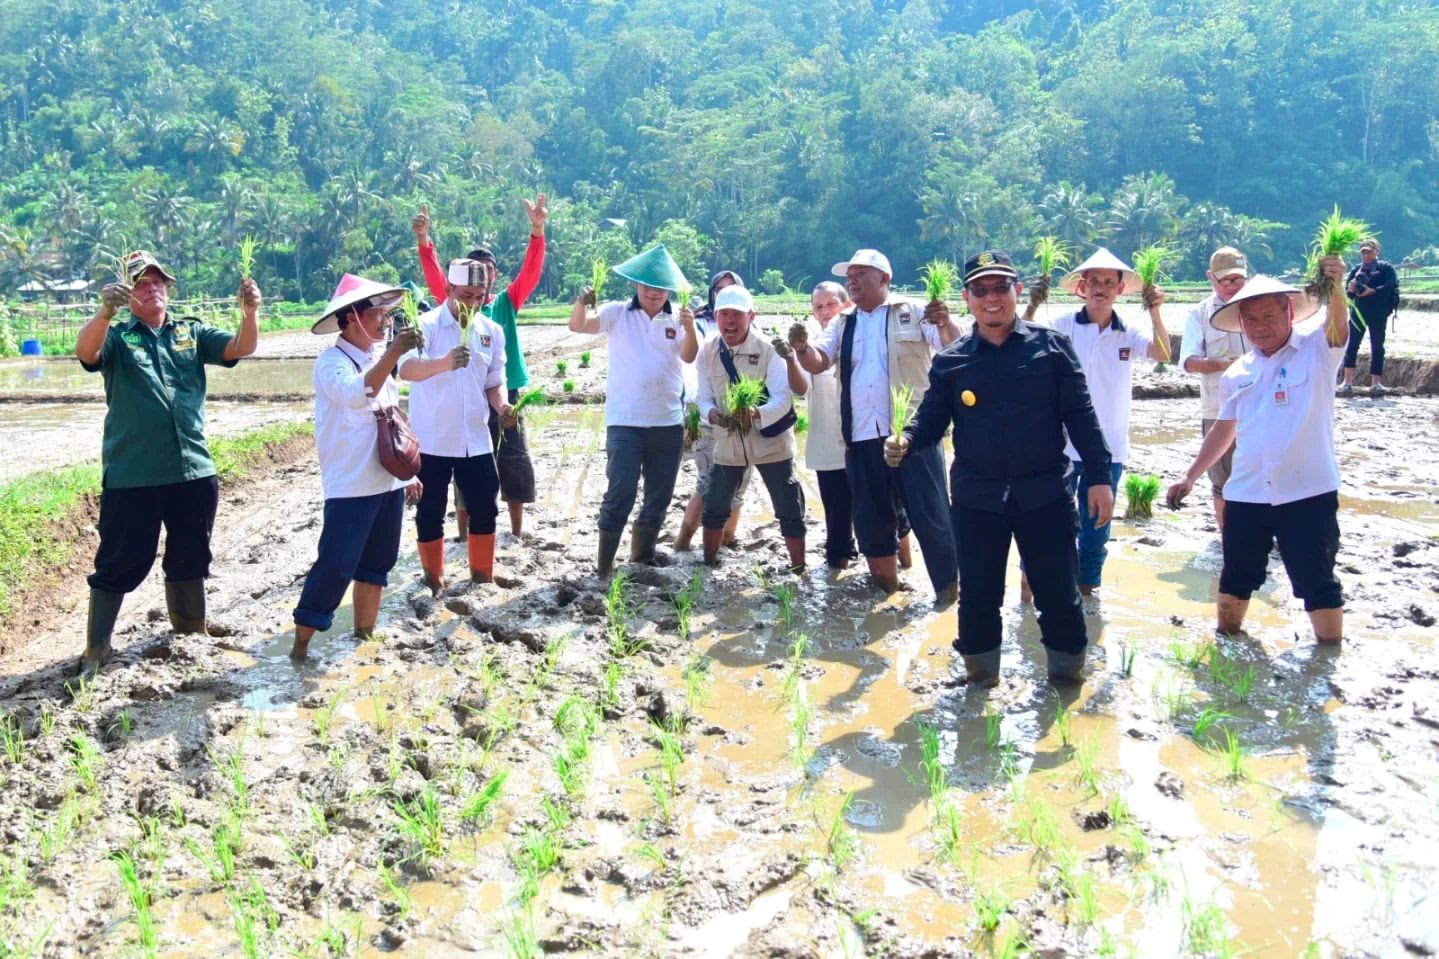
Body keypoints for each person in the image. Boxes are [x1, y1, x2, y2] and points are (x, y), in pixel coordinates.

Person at [884, 251, 1114, 686]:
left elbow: (1081, 416)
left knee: (1058, 593)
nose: (992, 298)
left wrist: (1100, 478)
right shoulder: (952, 360)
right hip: (977, 499)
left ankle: (1066, 681)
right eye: (981, 290)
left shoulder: (1051, 348)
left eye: (1000, 288)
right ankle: (980, 681)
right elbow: (931, 419)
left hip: (1045, 494)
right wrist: (907, 440)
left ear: (1017, 291)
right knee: (978, 595)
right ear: (967, 298)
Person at [73, 250, 259, 678]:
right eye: (140, 283)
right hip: (134, 474)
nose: (151, 288)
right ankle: (96, 649)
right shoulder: (117, 337)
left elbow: (241, 347)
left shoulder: (190, 331)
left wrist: (250, 313)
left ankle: (191, 633)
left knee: (191, 554)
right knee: (121, 560)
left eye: (157, 281)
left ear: (168, 288)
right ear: (127, 292)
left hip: (192, 469)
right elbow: (86, 353)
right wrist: (104, 312)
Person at [1167, 257, 1350, 645]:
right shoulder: (1238, 372)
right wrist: (1190, 475)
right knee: (1236, 575)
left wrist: (1336, 287)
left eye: (1269, 316)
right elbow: (1224, 428)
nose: (1260, 326)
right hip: (1247, 493)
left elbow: (1338, 327)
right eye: (1251, 319)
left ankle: (1328, 655)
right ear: (1241, 323)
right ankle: (1227, 644)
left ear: (1289, 313)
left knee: (1316, 579)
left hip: (1306, 492)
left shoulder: (1317, 351)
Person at [788, 248, 960, 603]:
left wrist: (945, 322)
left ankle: (947, 596)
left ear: (884, 278)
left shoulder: (913, 312)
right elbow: (819, 361)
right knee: (872, 520)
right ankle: (887, 593)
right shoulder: (843, 322)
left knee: (931, 516)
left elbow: (955, 347)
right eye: (849, 277)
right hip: (861, 436)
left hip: (912, 436)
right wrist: (802, 348)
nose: (851, 282)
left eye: (860, 275)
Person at [290, 275, 422, 659]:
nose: (385, 321)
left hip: (387, 482)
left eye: (386, 314)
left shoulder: (374, 358)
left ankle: (364, 636)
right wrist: (393, 354)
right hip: (351, 485)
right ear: (351, 319)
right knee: (335, 567)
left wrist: (408, 474)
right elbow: (356, 393)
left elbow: (391, 418)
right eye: (377, 314)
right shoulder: (331, 362)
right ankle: (300, 649)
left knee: (377, 565)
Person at [413, 196, 547, 538]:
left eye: (486, 272)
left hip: (503, 391)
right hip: (458, 400)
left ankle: (515, 532)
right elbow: (434, 276)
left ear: (493, 276)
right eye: (468, 290)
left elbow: (531, 272)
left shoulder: (504, 304)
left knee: (513, 460)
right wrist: (424, 242)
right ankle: (463, 533)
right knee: (465, 466)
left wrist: (537, 231)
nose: (473, 299)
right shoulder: (446, 310)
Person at [1044, 248, 1171, 595]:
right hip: (1061, 445)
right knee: (1049, 524)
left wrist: (1156, 310)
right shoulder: (1062, 327)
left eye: (1108, 282)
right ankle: (1041, 591)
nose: (1101, 288)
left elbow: (1163, 353)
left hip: (1110, 447)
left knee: (1096, 527)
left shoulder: (1128, 332)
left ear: (1119, 289)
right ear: (1082, 287)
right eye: (1094, 281)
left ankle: (1087, 596)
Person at [569, 245, 698, 576]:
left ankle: (642, 559)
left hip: (667, 423)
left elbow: (688, 356)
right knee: (620, 492)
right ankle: (604, 568)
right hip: (625, 422)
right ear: (636, 285)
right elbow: (579, 326)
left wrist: (690, 328)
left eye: (660, 287)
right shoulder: (617, 313)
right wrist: (582, 302)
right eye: (648, 286)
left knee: (658, 497)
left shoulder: (678, 317)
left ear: (669, 289)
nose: (654, 293)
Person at [400, 259, 513, 591]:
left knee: (485, 507)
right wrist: (444, 363)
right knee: (430, 511)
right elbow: (406, 369)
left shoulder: (491, 332)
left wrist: (503, 406)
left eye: (480, 296)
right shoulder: (426, 326)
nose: (473, 304)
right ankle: (434, 579)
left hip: (475, 438)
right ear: (448, 290)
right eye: (466, 295)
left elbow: (494, 380)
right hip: (432, 439)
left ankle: (482, 576)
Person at [695, 285, 807, 569]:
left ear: (751, 316)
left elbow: (783, 398)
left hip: (771, 442)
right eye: (723, 314)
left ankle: (798, 567)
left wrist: (756, 413)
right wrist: (713, 415)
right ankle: (708, 565)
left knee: (789, 506)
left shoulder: (769, 349)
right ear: (715, 317)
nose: (729, 321)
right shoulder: (708, 351)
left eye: (737, 314)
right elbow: (704, 397)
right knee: (715, 504)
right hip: (729, 441)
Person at [675, 270, 750, 552]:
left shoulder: (752, 326)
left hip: (742, 418)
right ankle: (683, 541)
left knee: (739, 485)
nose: (724, 293)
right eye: (719, 289)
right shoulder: (701, 323)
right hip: (707, 414)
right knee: (707, 482)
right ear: (711, 293)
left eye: (731, 288)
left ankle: (725, 542)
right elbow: (690, 359)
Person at [1178, 247, 1250, 530]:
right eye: (1226, 280)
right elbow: (1188, 361)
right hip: (1218, 408)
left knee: (1267, 475)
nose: (1233, 285)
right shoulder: (1200, 314)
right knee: (1222, 480)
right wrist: (1222, 364)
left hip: (1261, 406)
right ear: (1211, 278)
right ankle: (1228, 538)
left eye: (1238, 279)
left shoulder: (1259, 307)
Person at [800, 281, 859, 569]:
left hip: (863, 439)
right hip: (826, 440)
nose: (825, 312)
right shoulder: (807, 346)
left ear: (847, 305)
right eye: (818, 307)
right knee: (835, 509)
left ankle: (898, 563)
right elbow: (799, 387)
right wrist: (795, 354)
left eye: (831, 304)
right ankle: (838, 563)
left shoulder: (862, 337)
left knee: (883, 508)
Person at [1339, 238, 1399, 396]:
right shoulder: (1356, 270)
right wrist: (1351, 289)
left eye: (1369, 252)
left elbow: (1391, 285)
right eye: (1363, 252)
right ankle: (1347, 382)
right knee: (1351, 345)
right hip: (1358, 313)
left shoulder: (1385, 268)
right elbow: (1349, 294)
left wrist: (1373, 291)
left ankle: (1376, 383)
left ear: (1377, 252)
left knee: (1377, 346)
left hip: (1378, 313)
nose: (1366, 255)